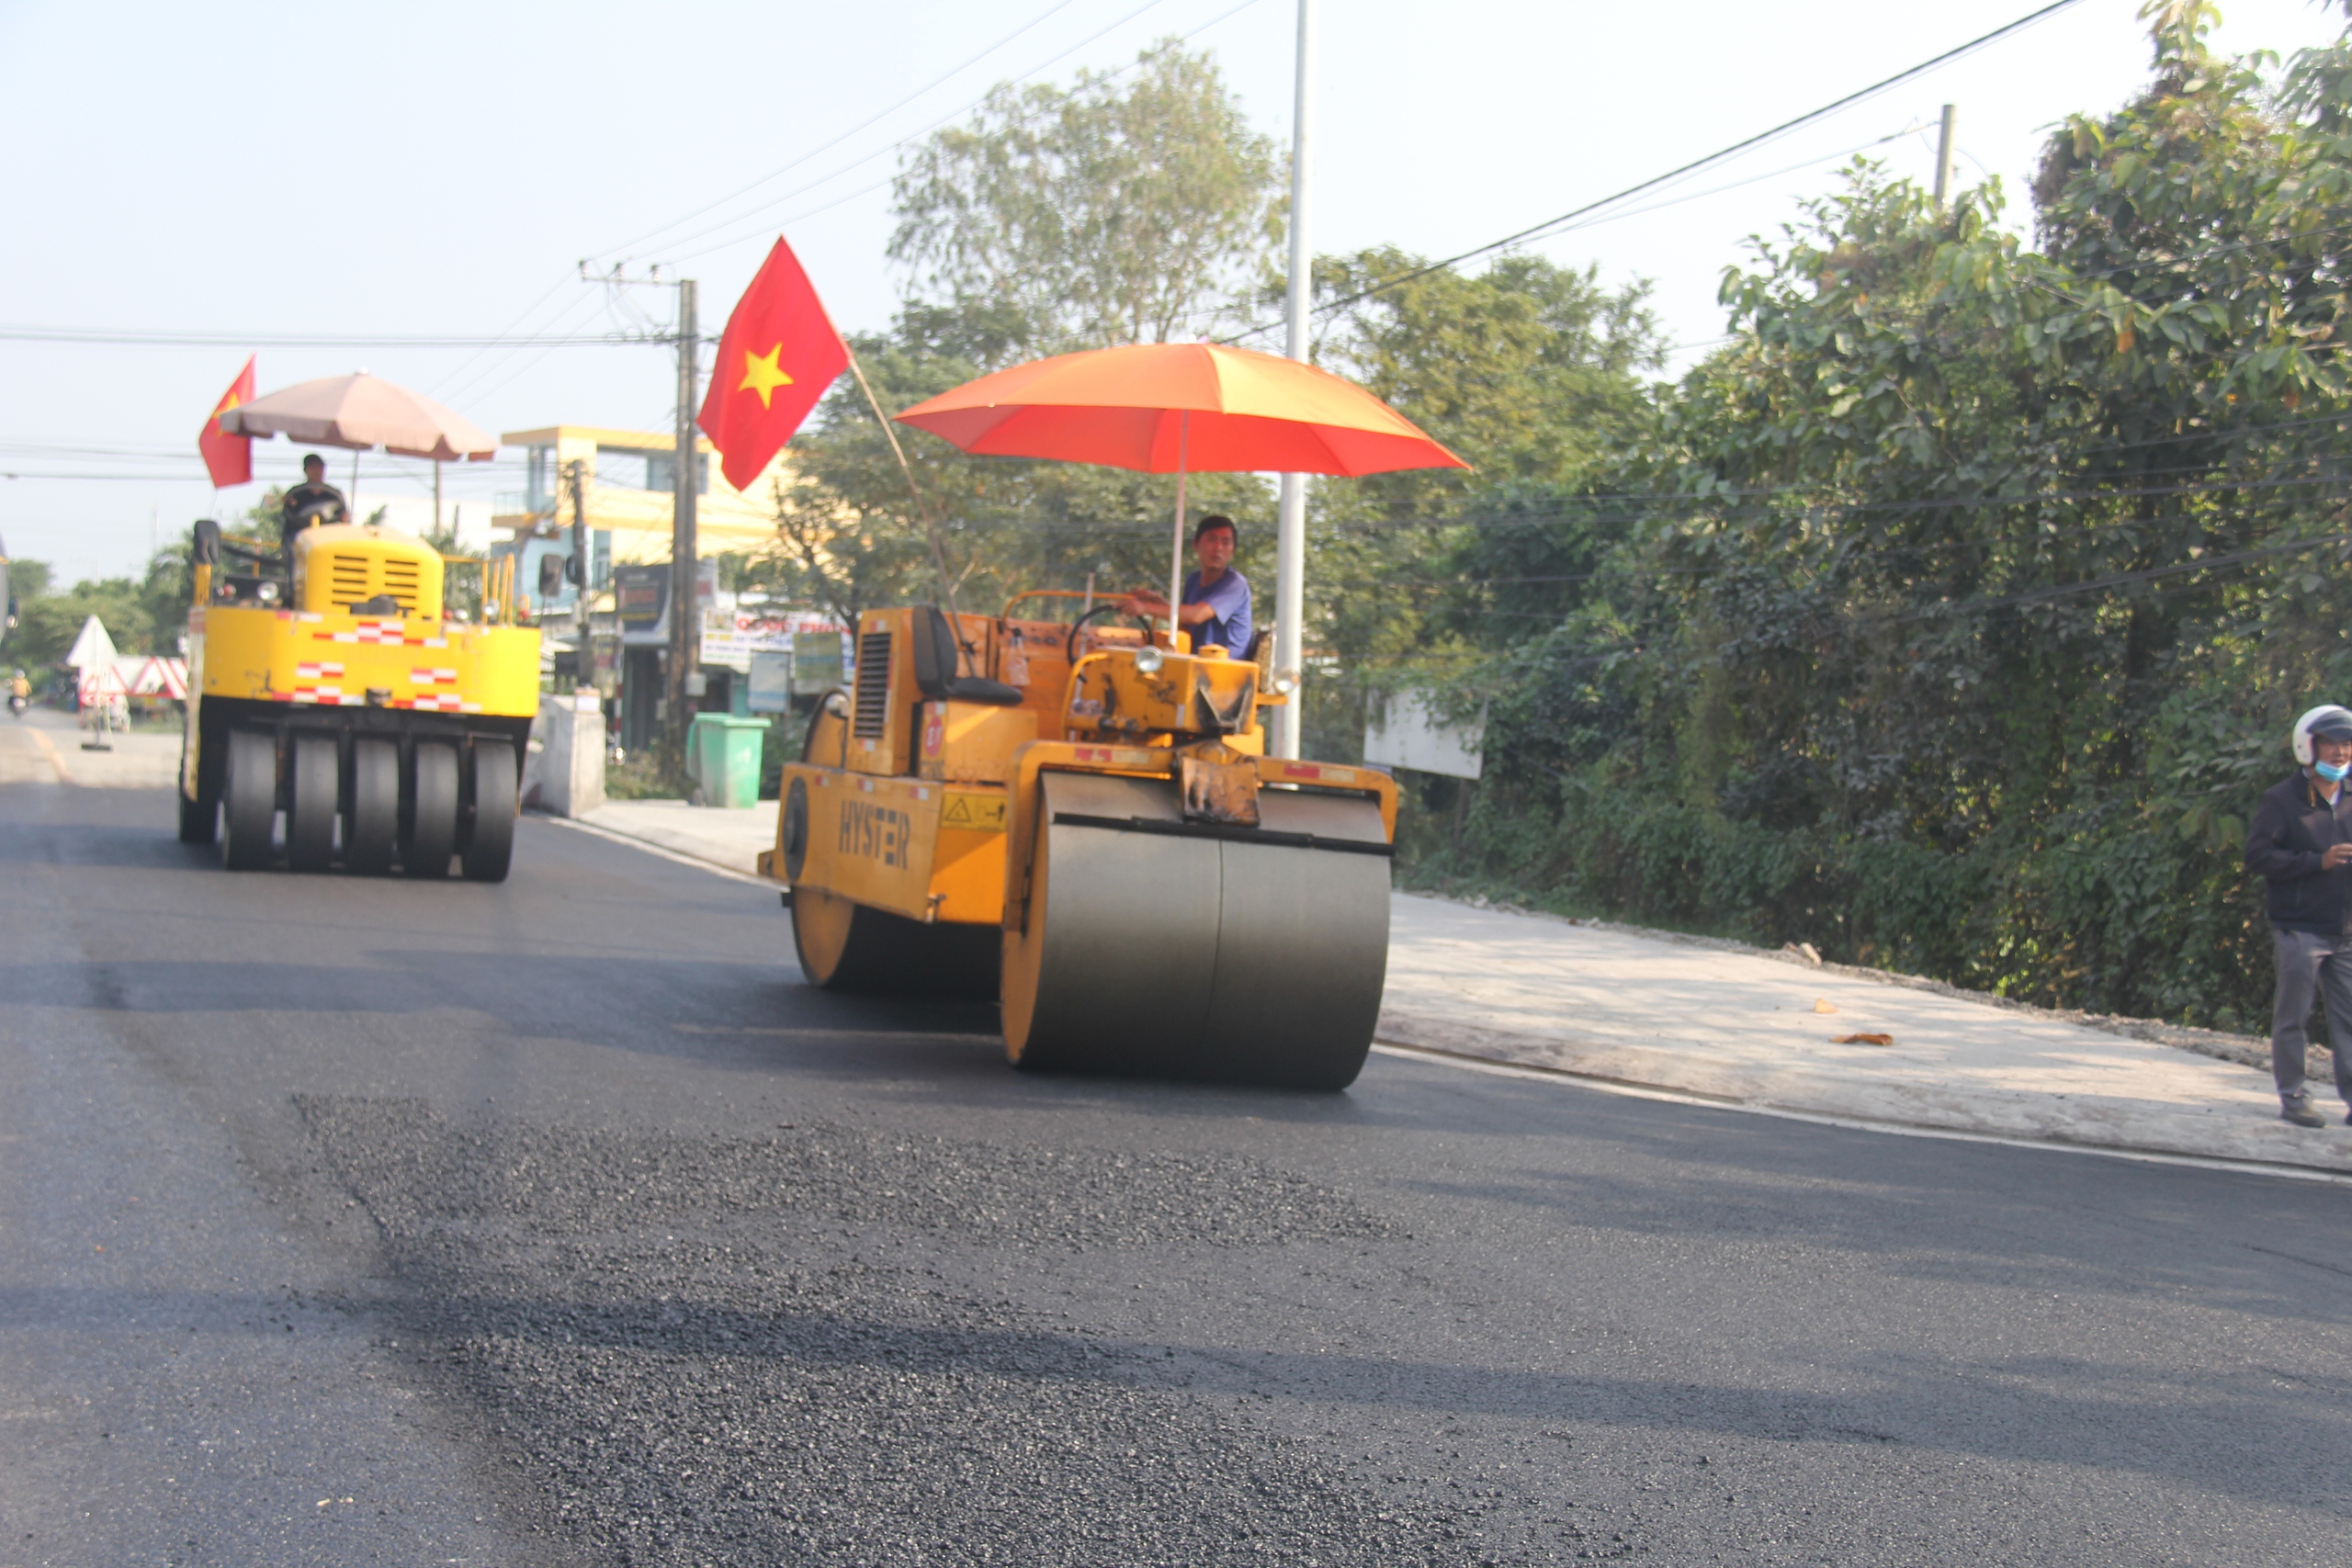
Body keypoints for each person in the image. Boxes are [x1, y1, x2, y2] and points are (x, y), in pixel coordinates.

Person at [2245, 703, 2352, 1127]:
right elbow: (2257, 856)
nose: (2340, 752)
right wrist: (2316, 862)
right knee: (2294, 1017)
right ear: (2308, 747)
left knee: (2349, 1020)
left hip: (2345, 929)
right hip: (2299, 928)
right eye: (2330, 742)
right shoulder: (2281, 799)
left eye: (2347, 743)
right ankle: (2294, 1097)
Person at [1120, 514, 1252, 654]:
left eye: (1225, 542)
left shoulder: (1235, 584)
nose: (1218, 548)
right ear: (1196, 544)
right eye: (1212, 540)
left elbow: (1196, 615)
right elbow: (1184, 623)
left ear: (1233, 551)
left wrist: (1146, 608)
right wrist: (1157, 601)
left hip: (1225, 664)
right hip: (1196, 660)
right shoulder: (1193, 580)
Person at [280, 453, 347, 548]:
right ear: (305, 470)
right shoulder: (296, 493)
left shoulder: (334, 495)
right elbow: (288, 514)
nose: (316, 470)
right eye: (312, 467)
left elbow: (343, 515)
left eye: (319, 467)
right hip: (301, 538)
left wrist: (343, 518)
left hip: (327, 537)